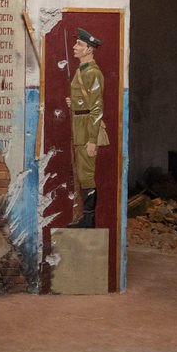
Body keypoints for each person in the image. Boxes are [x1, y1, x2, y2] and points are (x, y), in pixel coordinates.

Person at [66, 29, 110, 228]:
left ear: (89, 49)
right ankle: (86, 219)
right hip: (79, 125)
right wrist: (74, 103)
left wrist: (92, 140)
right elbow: (86, 100)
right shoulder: (81, 70)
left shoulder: (93, 73)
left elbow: (97, 109)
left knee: (87, 175)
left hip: (87, 129)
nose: (75, 47)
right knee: (82, 175)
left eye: (79, 45)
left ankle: (89, 220)